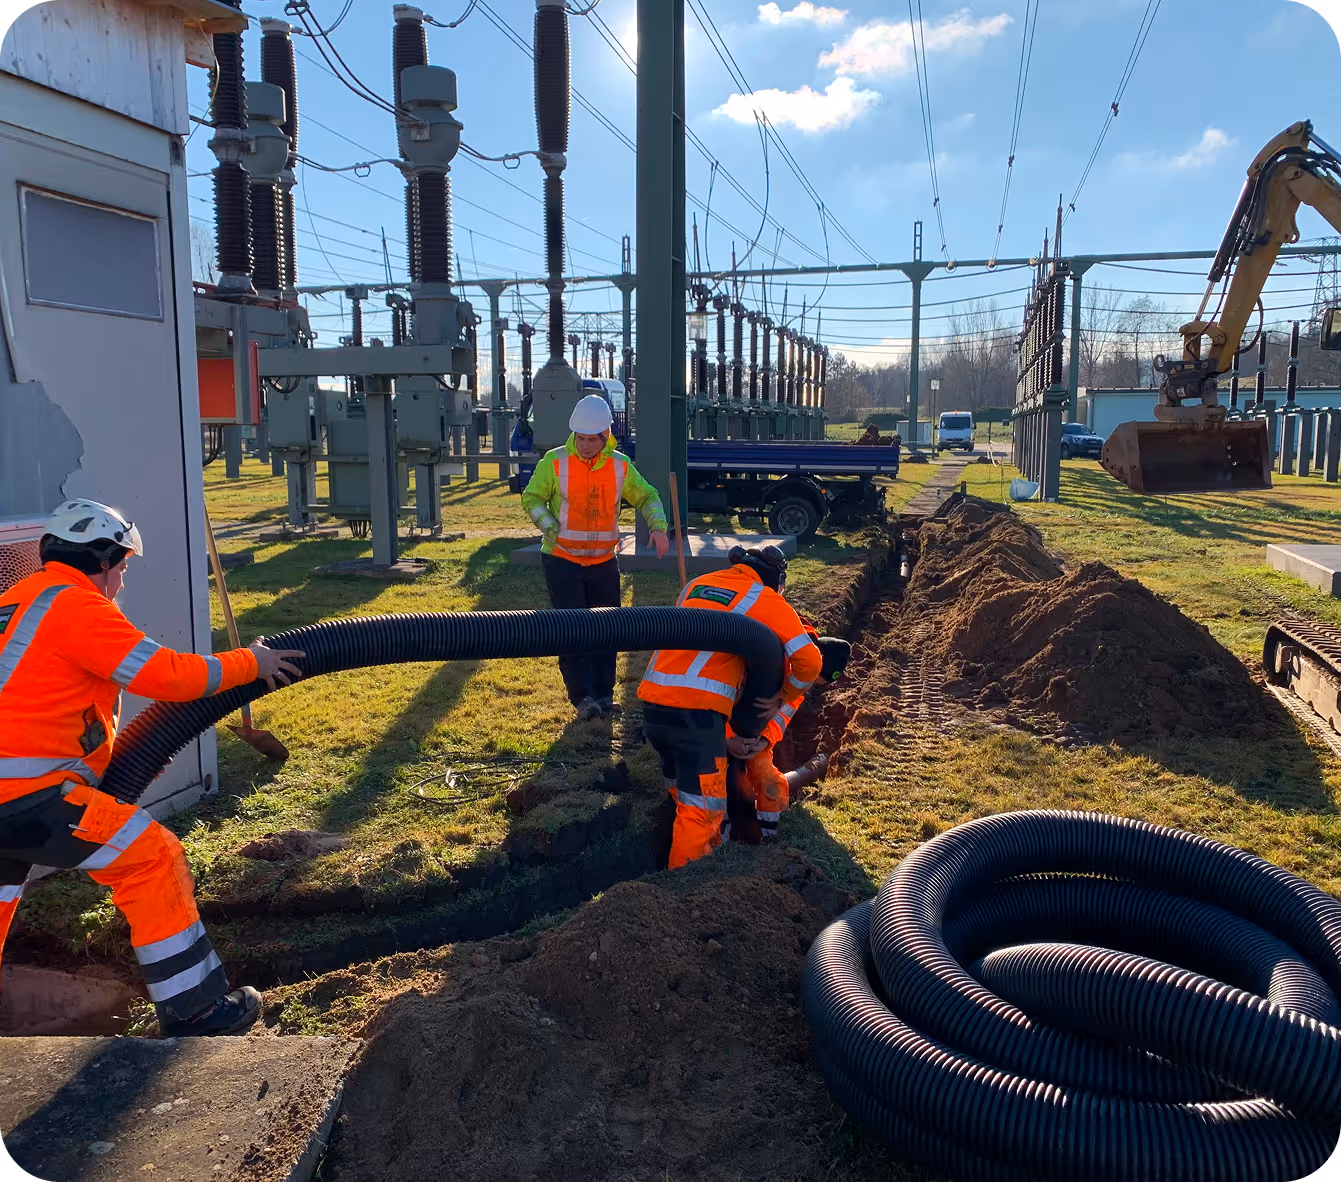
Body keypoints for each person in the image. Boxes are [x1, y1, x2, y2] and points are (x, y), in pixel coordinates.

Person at [0, 500, 305, 1037]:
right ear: (103, 562)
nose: (122, 580)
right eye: (122, 567)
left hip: (14, 794)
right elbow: (167, 676)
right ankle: (197, 1009)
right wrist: (251, 663)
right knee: (151, 858)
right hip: (27, 799)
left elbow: (37, 711)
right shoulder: (76, 605)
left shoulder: (15, 601)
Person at [636, 545, 821, 868]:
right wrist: (783, 695)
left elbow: (693, 665)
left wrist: (724, 736)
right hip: (697, 716)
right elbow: (809, 662)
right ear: (775, 579)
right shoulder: (762, 598)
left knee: (685, 795)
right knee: (700, 812)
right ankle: (686, 884)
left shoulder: (697, 584)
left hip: (655, 707)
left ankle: (711, 853)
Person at [522, 393, 671, 720]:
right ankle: (583, 699)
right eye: (581, 438)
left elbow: (647, 496)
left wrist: (659, 528)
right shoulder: (554, 461)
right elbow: (532, 498)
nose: (586, 445)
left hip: (604, 561)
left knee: (607, 630)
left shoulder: (620, 465)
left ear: (606, 436)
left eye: (593, 439)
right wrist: (550, 527)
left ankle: (604, 696)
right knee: (574, 630)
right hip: (561, 559)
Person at [730, 629, 850, 841]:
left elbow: (782, 716)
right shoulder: (771, 656)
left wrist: (764, 740)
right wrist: (729, 736)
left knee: (767, 780)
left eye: (815, 684)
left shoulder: (799, 681)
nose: (808, 686)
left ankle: (767, 835)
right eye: (812, 680)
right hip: (721, 726)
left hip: (751, 735)